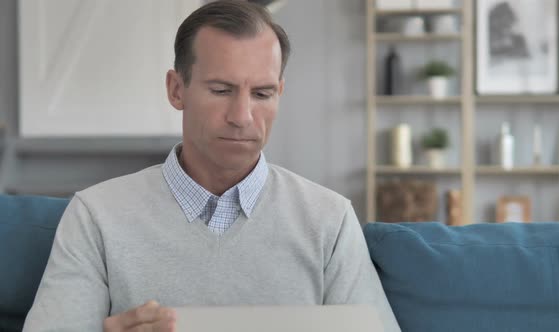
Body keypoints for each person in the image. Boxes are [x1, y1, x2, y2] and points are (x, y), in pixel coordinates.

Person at [23, 1, 401, 331]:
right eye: (221, 90)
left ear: (280, 93)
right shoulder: (95, 216)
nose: (242, 116)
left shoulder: (329, 221)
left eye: (262, 93)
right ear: (176, 90)